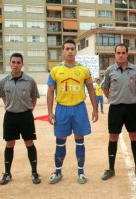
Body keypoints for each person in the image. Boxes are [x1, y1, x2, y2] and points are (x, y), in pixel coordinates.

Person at [47, 39, 98, 184]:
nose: (70, 51)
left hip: (79, 108)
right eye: (67, 49)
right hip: (62, 108)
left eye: (72, 49)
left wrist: (95, 109)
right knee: (60, 141)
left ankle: (81, 172)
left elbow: (91, 89)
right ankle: (57, 172)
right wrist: (50, 112)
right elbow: (50, 92)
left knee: (80, 140)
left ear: (76, 51)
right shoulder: (56, 70)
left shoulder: (84, 70)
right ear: (62, 51)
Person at [101, 43, 136, 180]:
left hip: (131, 108)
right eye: (118, 53)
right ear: (115, 54)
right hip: (115, 109)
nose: (121, 55)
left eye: (123, 52)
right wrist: (114, 99)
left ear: (127, 54)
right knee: (113, 137)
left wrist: (131, 98)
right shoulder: (109, 70)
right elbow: (105, 88)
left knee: (134, 137)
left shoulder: (135, 70)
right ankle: (111, 169)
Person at [0, 53, 41, 185]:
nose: (16, 65)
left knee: (29, 143)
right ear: (9, 64)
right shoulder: (3, 81)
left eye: (18, 62)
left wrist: (29, 110)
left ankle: (34, 172)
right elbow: (3, 97)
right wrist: (10, 106)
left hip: (26, 116)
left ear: (22, 64)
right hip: (10, 116)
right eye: (13, 62)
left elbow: (34, 97)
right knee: (9, 144)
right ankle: (7, 173)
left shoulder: (30, 81)